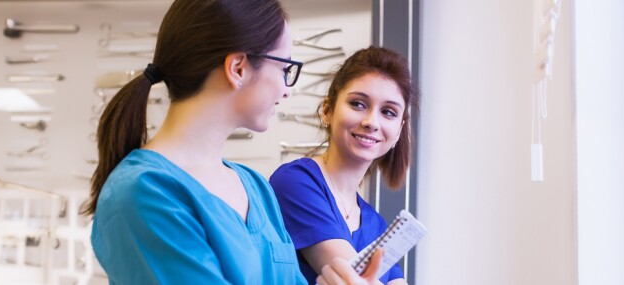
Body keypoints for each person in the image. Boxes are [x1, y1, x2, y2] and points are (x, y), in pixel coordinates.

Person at [82, 0, 382, 284]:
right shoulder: (143, 193)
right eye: (284, 69)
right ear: (238, 68)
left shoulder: (255, 187)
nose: (287, 89)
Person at [270, 46, 420, 285]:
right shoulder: (295, 182)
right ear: (327, 110)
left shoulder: (375, 224)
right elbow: (353, 279)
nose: (371, 122)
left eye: (389, 112)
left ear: (399, 130)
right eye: (358, 104)